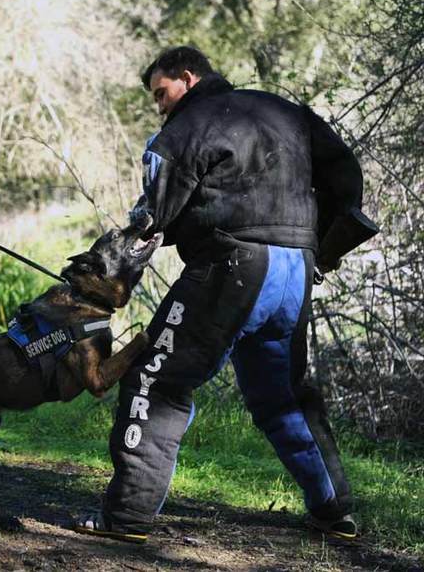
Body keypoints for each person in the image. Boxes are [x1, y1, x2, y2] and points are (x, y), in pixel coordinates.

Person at [74, 46, 368, 542]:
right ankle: (333, 511)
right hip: (295, 270)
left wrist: (103, 272)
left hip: (232, 268)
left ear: (187, 78)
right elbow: (347, 175)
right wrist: (326, 246)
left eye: (161, 94)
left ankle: (125, 518)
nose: (160, 107)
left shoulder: (185, 128)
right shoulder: (285, 112)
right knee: (283, 398)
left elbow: (154, 218)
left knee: (155, 379)